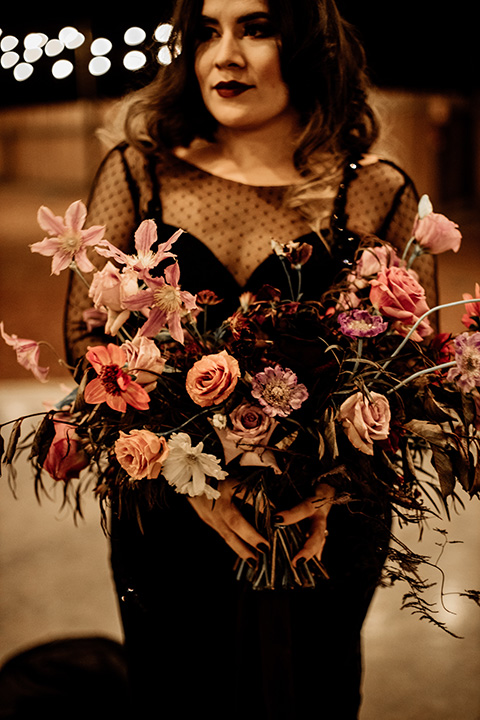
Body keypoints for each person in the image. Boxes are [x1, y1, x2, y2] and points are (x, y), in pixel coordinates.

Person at [64, 0, 437, 717]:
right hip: (170, 520)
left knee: (311, 693)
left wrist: (336, 485)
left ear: (308, 46)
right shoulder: (140, 173)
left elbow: (406, 378)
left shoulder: (375, 190)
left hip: (317, 528)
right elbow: (90, 349)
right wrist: (189, 480)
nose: (224, 55)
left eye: (257, 28)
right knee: (177, 692)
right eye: (207, 31)